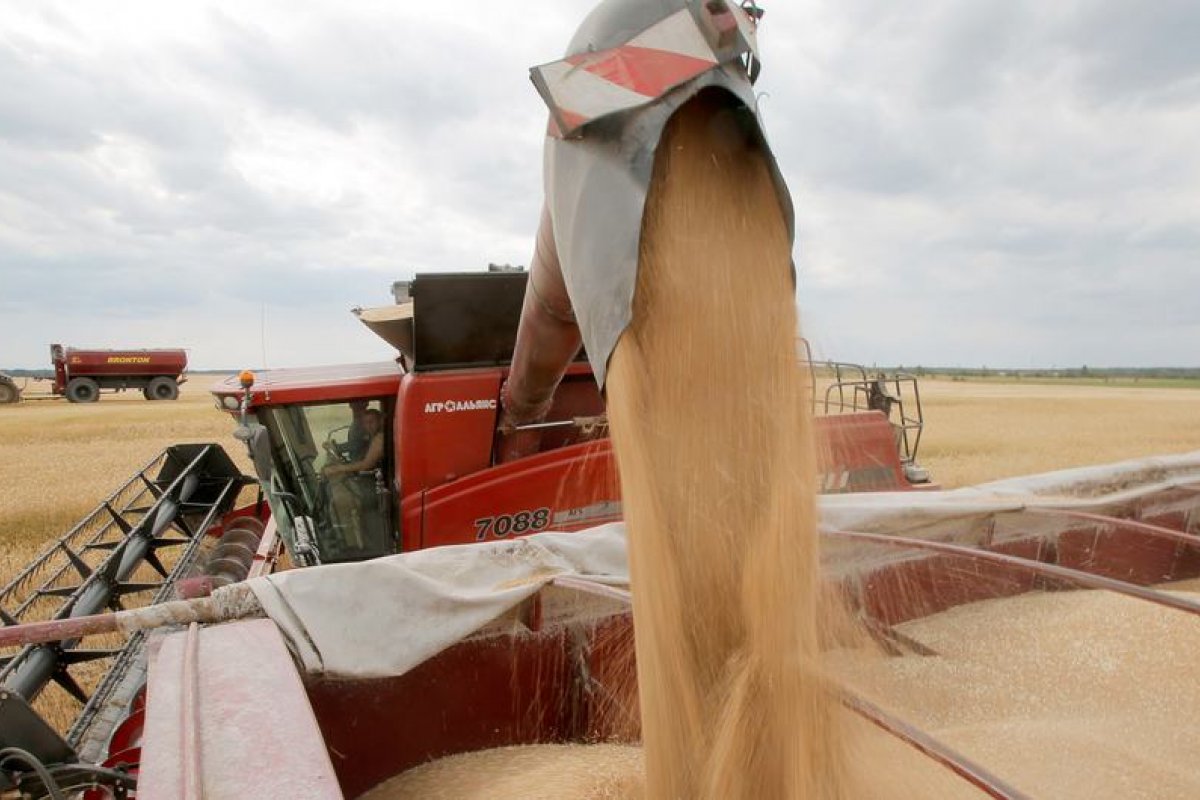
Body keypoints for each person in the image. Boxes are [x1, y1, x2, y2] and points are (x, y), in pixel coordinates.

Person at [321, 408, 385, 547]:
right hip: (374, 479)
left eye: (371, 422)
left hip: (379, 485)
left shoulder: (380, 438)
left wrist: (338, 469)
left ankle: (353, 543)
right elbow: (354, 447)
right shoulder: (371, 436)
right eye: (365, 423)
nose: (369, 426)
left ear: (380, 421)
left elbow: (366, 464)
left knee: (341, 502)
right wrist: (336, 448)